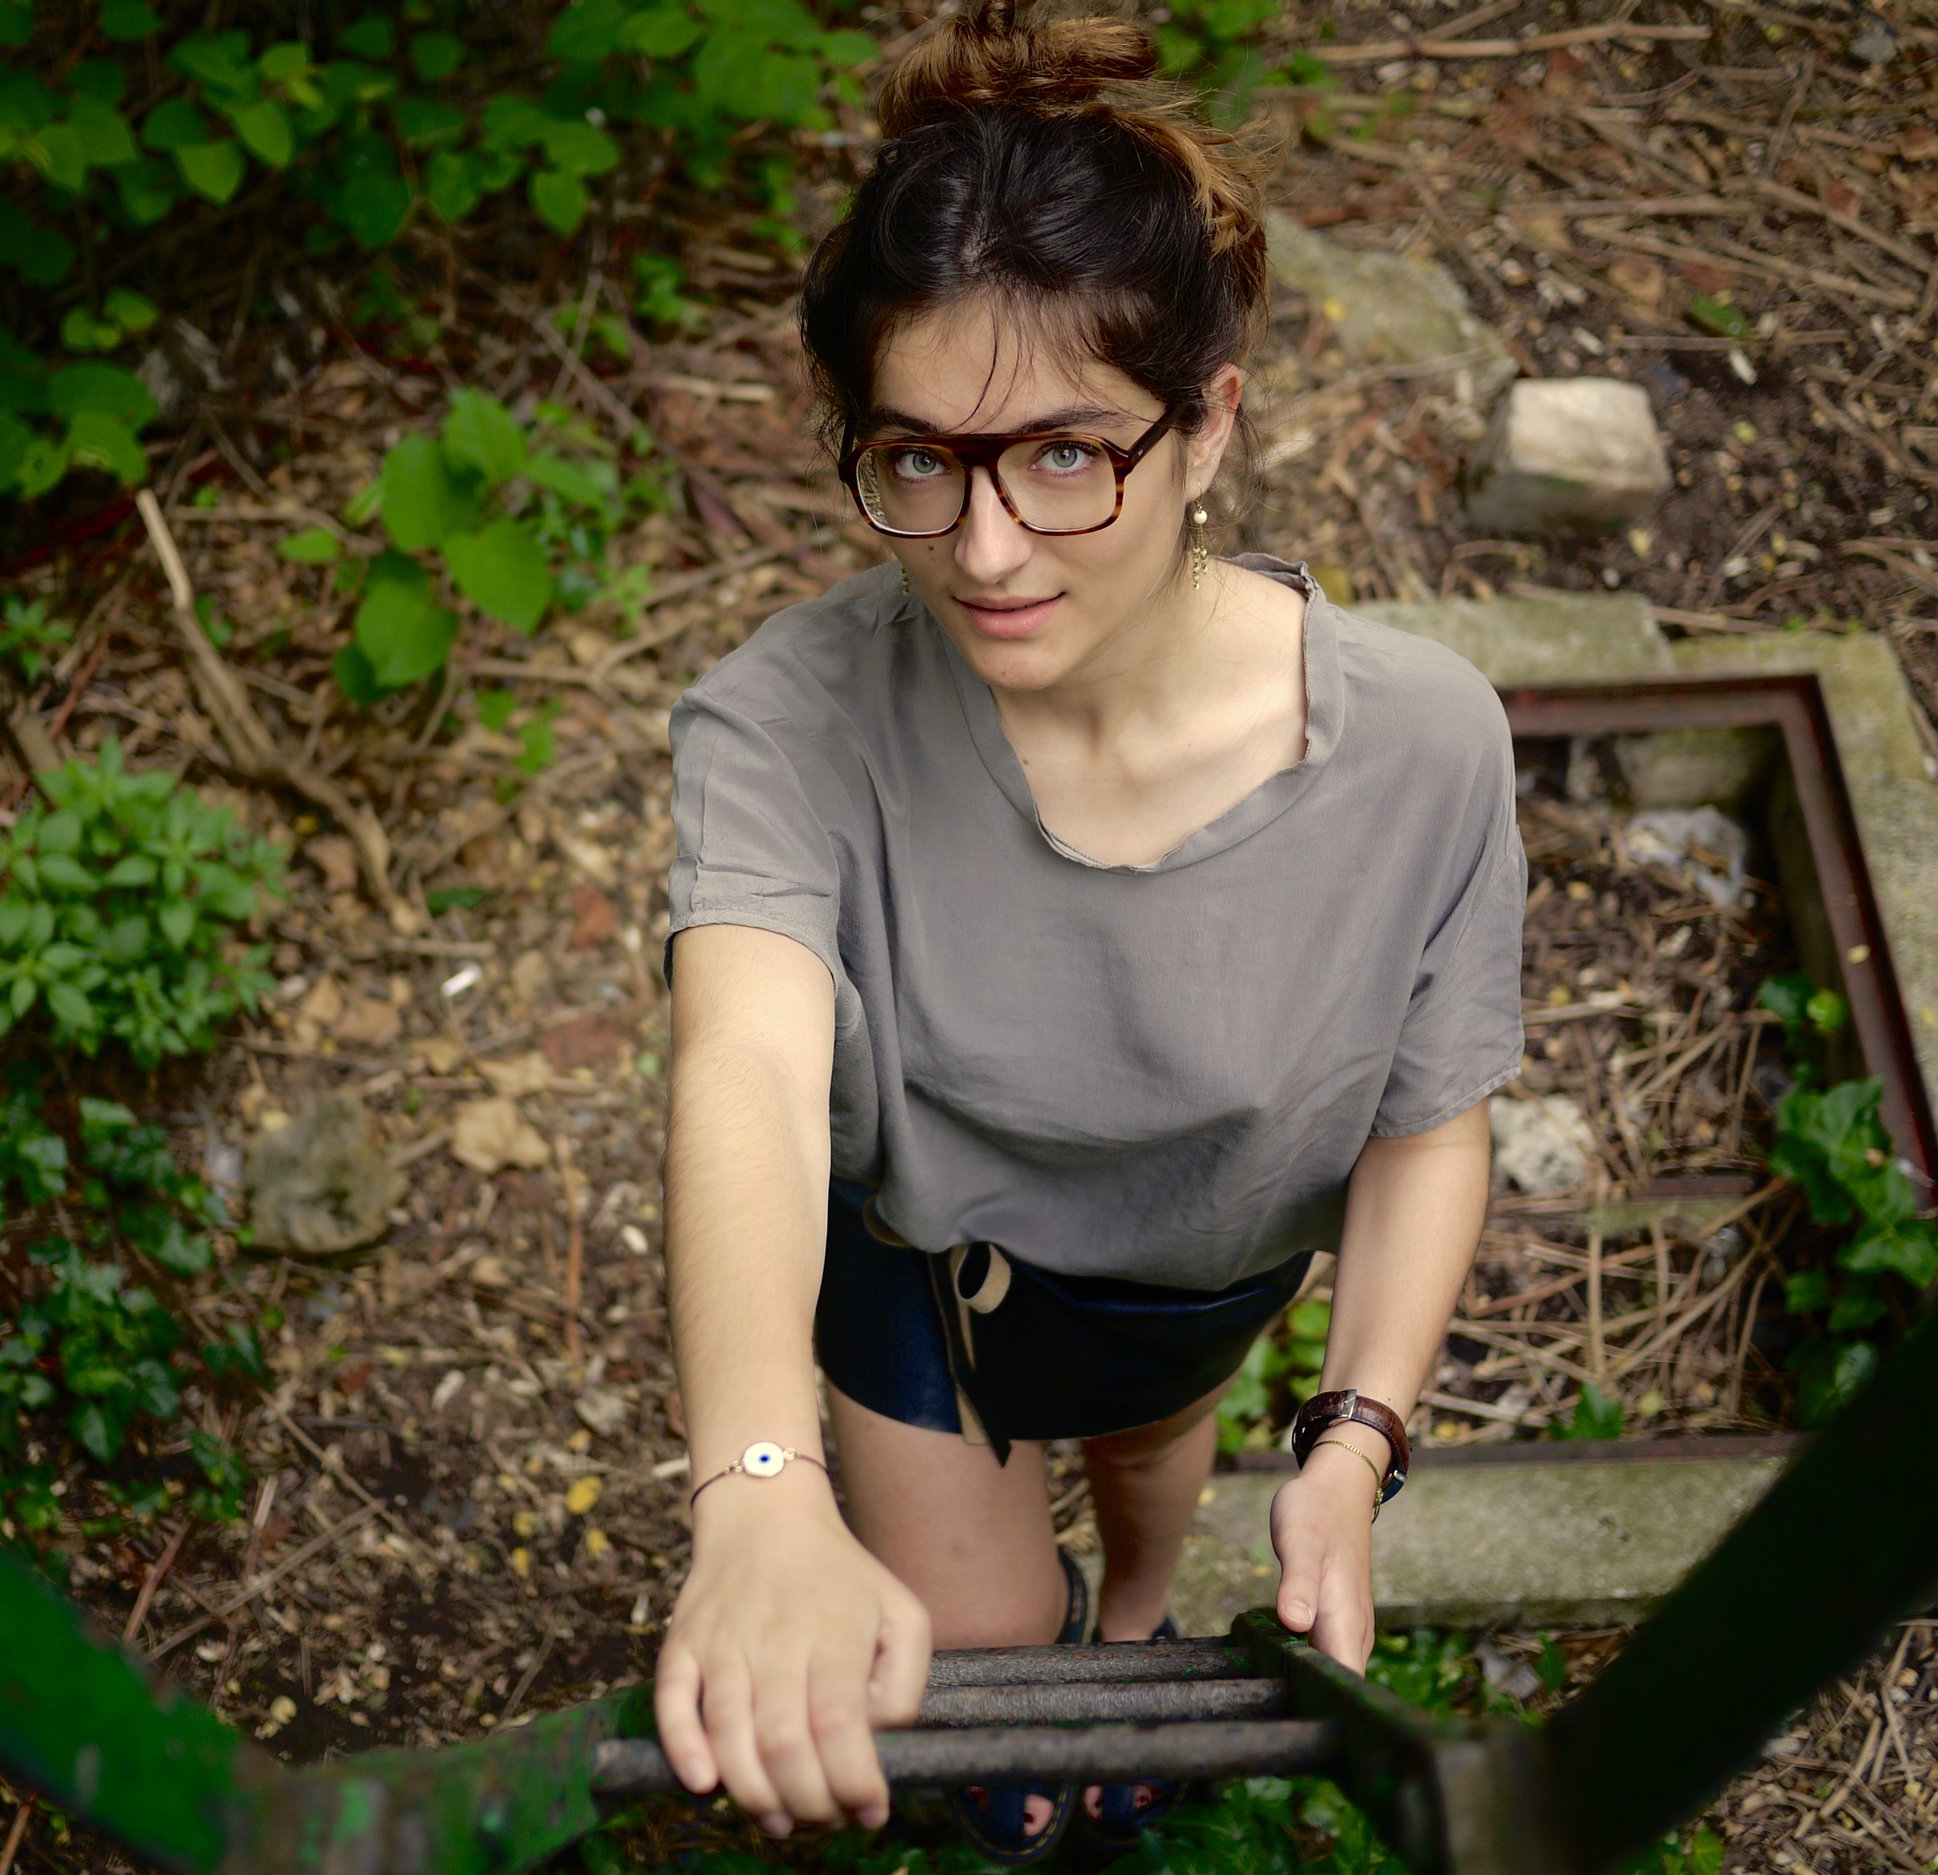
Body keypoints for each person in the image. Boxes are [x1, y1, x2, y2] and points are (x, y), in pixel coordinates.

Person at [647, 1, 1527, 1863]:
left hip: (1197, 1289)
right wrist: (756, 1487)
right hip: (926, 1278)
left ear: (1207, 423)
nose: (983, 550)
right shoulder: (786, 724)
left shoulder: (1423, 746)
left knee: (1150, 1493)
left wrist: (1356, 1447)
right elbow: (742, 1056)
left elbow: (1429, 1121)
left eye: (1061, 456)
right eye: (919, 460)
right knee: (973, 1661)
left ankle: (1130, 1620)